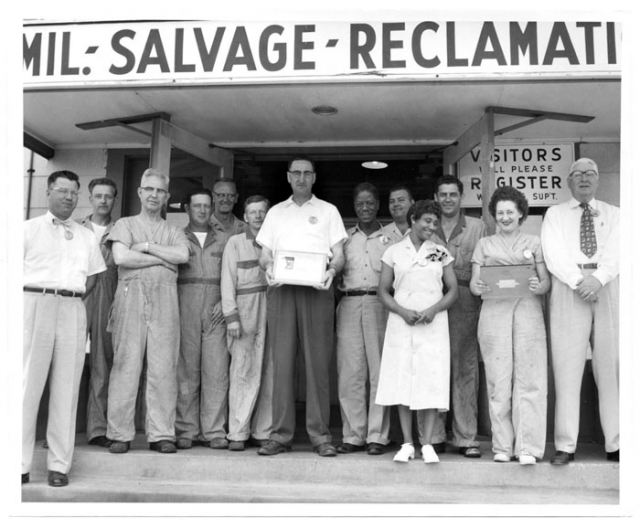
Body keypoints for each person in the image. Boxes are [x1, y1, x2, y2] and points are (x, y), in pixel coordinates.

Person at [256, 156, 347, 457]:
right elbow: (265, 254)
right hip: (282, 291)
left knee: (318, 363)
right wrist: (268, 268)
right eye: (296, 173)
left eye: (307, 173)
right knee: (282, 363)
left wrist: (332, 272)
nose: (302, 178)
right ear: (287, 177)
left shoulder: (328, 211)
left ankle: (320, 436)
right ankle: (280, 435)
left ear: (315, 178)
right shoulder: (275, 212)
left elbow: (339, 254)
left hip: (317, 290)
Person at [23, 170, 106, 487]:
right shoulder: (27, 230)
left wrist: (71, 298)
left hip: (73, 306)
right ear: (48, 192)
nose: (69, 197)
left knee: (67, 388)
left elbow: (94, 276)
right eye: (63, 191)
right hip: (33, 303)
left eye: (74, 192)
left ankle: (59, 466)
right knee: (27, 386)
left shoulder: (86, 236)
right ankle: (18, 464)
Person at [541, 157, 619, 464]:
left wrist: (598, 279)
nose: (584, 178)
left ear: (598, 180)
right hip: (568, 287)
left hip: (607, 285)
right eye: (578, 174)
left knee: (610, 365)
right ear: (569, 181)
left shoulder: (616, 214)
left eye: (590, 174)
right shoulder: (555, 214)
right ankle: (566, 445)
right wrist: (578, 281)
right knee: (567, 365)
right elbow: (553, 252)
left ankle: (616, 443)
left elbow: (619, 249)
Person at [106, 168, 189, 454]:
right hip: (130, 298)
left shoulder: (174, 230)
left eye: (160, 191)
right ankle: (119, 433)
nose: (154, 195)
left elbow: (182, 255)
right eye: (149, 189)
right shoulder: (124, 224)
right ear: (140, 192)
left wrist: (146, 247)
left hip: (165, 300)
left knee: (164, 366)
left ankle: (161, 434)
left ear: (167, 196)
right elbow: (121, 257)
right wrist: (160, 261)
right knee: (126, 363)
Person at [470, 186, 550, 465]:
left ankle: (528, 448)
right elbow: (474, 284)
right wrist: (478, 285)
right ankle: (502, 446)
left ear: (520, 214)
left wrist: (538, 286)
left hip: (527, 311)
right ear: (494, 216)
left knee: (530, 379)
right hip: (494, 314)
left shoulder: (534, 242)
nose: (505, 217)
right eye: (500, 212)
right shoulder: (484, 245)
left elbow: (545, 283)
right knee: (498, 380)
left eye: (510, 212)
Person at [375, 200, 458, 464]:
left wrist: (434, 310)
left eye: (435, 223)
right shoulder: (394, 252)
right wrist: (401, 311)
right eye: (426, 221)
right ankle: (408, 443)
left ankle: (428, 443)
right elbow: (383, 291)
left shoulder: (439, 253)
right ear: (413, 220)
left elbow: (453, 290)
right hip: (402, 323)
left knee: (430, 378)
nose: (431, 227)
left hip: (432, 323)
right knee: (402, 379)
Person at [422, 175, 487, 458]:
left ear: (461, 197)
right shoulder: (427, 226)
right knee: (432, 367)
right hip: (431, 302)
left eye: (453, 194)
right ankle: (433, 436)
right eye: (443, 194)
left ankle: (466, 437)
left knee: (464, 368)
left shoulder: (478, 227)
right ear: (436, 197)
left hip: (465, 303)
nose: (447, 199)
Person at [335, 183, 391, 456]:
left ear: (377, 204)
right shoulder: (344, 239)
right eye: (360, 204)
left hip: (380, 305)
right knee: (350, 373)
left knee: (379, 371)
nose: (365, 208)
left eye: (370, 202)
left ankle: (377, 436)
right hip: (349, 304)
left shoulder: (392, 239)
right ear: (354, 207)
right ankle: (353, 434)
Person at [175, 188, 231, 450]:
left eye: (206, 206)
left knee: (216, 371)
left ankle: (214, 430)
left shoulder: (226, 239)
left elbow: (232, 275)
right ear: (187, 208)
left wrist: (224, 300)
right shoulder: (176, 237)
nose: (202, 210)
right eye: (196, 206)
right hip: (185, 303)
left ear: (212, 209)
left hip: (215, 308)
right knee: (186, 370)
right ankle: (186, 429)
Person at [221, 195, 273, 451]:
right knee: (243, 370)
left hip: (272, 306)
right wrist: (232, 316)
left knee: (269, 370)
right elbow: (227, 281)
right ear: (245, 216)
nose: (258, 216)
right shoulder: (235, 243)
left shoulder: (276, 242)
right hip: (245, 309)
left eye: (262, 211)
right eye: (253, 212)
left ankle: (262, 431)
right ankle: (238, 432)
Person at [77, 177, 119, 449]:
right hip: (79, 295)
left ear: (114, 199)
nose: (103, 200)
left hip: (109, 296)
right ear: (90, 198)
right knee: (67, 362)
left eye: (109, 196)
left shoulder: (122, 229)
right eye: (98, 195)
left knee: (102, 365)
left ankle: (97, 428)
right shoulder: (75, 228)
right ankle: (61, 430)